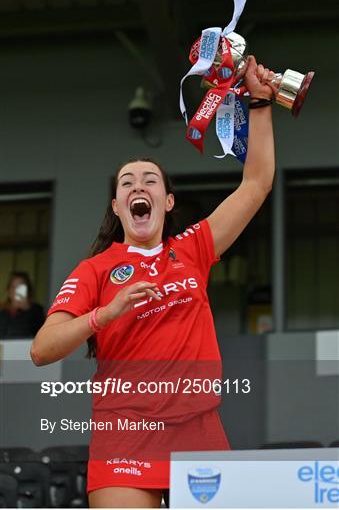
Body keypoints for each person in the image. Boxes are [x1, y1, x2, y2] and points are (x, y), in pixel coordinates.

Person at [31, 56, 276, 508]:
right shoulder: (95, 271)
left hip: (197, 429)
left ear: (166, 201)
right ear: (119, 206)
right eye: (127, 183)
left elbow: (257, 183)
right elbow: (42, 349)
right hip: (124, 434)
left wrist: (259, 101)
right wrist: (104, 314)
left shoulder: (194, 249)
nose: (137, 186)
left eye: (149, 180)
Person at [0, 272, 45, 339]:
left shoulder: (37, 311)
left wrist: (27, 310)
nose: (16, 291)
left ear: (28, 290)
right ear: (8, 292)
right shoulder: (2, 310)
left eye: (20, 287)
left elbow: (41, 335)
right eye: (13, 287)